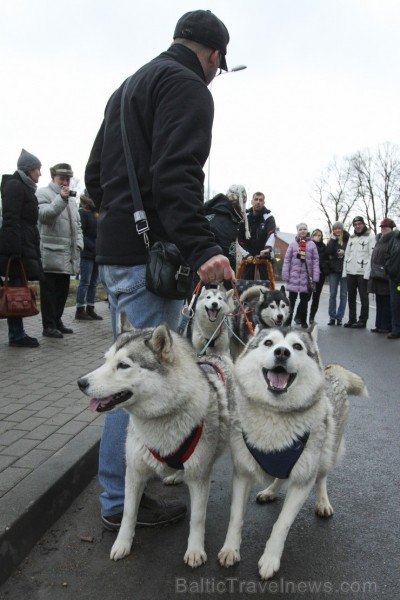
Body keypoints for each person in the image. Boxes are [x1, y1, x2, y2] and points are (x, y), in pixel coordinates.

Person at [85, 9, 235, 531]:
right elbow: (177, 174)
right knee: (133, 384)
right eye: (219, 63)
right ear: (215, 56)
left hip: (115, 253)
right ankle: (119, 501)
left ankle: (118, 494)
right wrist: (200, 248)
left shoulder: (128, 86)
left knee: (119, 375)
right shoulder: (190, 87)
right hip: (151, 263)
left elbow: (94, 176)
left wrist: (119, 221)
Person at [0, 149, 44, 347]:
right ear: (28, 170)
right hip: (16, 248)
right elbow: (11, 219)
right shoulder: (15, 187)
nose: (39, 174)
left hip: (23, 245)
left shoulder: (23, 187)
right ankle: (16, 335)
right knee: (14, 290)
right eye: (37, 169)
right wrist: (13, 251)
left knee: (16, 288)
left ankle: (17, 333)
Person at [36, 163, 83, 338]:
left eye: (68, 178)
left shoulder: (71, 198)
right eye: (61, 178)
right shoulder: (43, 193)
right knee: (48, 292)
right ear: (53, 178)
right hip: (49, 252)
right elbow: (45, 216)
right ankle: (48, 325)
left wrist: (79, 244)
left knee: (63, 291)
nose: (65, 182)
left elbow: (77, 225)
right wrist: (61, 199)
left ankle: (57, 320)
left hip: (66, 253)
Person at [203, 184, 249, 272]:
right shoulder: (228, 221)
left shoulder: (209, 212)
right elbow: (228, 255)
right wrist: (231, 283)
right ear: (240, 203)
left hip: (190, 266)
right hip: (207, 273)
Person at [282, 222, 319, 328]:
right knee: (291, 301)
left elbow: (316, 261)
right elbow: (287, 260)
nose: (302, 231)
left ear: (307, 231)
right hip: (293, 277)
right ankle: (288, 321)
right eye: (300, 229)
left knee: (304, 301)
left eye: (304, 229)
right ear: (297, 231)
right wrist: (286, 275)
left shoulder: (312, 245)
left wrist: (315, 277)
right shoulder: (292, 244)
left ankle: (303, 320)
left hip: (306, 278)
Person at [365, 218, 397, 334]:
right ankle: (378, 325)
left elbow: (392, 257)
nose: (383, 228)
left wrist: (387, 269)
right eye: (382, 226)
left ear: (391, 228)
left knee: (387, 302)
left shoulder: (393, 240)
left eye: (386, 226)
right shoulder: (379, 240)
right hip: (377, 275)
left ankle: (386, 326)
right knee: (379, 301)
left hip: (386, 275)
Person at [343, 216, 374, 328]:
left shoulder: (370, 237)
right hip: (351, 271)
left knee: (363, 298)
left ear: (363, 224)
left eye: (359, 224)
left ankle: (362, 320)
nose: (357, 226)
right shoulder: (352, 238)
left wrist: (367, 273)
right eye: (355, 224)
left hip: (362, 272)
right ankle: (352, 319)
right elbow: (347, 254)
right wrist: (345, 272)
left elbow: (372, 256)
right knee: (351, 297)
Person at [75, 193, 102, 321]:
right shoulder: (82, 213)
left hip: (97, 254)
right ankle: (80, 309)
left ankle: (90, 308)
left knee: (94, 282)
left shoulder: (95, 213)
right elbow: (81, 233)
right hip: (87, 253)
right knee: (85, 281)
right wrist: (93, 246)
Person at [238, 191, 276, 280]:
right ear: (252, 201)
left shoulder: (268, 217)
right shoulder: (244, 217)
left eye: (260, 200)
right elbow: (240, 239)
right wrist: (247, 255)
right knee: (245, 284)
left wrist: (268, 248)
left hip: (264, 254)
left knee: (268, 283)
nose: (258, 202)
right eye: (256, 199)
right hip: (248, 255)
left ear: (263, 202)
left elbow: (272, 233)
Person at [294, 228, 329, 325]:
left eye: (319, 235)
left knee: (316, 297)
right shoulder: (308, 245)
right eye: (315, 235)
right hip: (310, 275)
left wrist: (324, 268)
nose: (317, 237)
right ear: (312, 236)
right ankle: (298, 315)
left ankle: (312, 317)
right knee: (306, 297)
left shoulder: (324, 247)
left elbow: (327, 260)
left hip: (320, 275)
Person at [325, 221, 350, 326]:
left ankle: (340, 317)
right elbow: (328, 252)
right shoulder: (332, 240)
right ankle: (332, 317)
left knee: (344, 295)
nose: (337, 230)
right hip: (333, 270)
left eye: (339, 228)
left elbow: (352, 252)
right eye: (335, 228)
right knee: (332, 294)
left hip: (345, 270)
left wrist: (345, 253)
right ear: (333, 230)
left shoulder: (348, 239)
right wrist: (333, 239)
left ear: (342, 229)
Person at [385, 222, 400, 339]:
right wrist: (388, 268)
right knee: (395, 304)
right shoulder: (395, 238)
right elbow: (388, 255)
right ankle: (396, 330)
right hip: (394, 277)